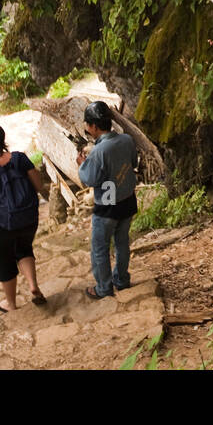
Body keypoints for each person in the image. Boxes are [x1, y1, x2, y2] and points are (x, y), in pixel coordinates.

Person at [0, 123, 48, 312]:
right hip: (28, 218)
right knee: (24, 249)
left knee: (5, 260)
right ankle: (32, 285)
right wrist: (47, 198)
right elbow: (38, 184)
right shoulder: (20, 158)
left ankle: (10, 304)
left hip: (2, 223)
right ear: (2, 138)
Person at [76, 101, 139, 299]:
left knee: (100, 247)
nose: (87, 129)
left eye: (87, 125)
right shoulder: (127, 140)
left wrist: (82, 164)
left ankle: (103, 288)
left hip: (108, 203)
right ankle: (121, 280)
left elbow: (90, 179)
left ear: (94, 126)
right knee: (121, 243)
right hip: (127, 199)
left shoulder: (99, 151)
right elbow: (133, 162)